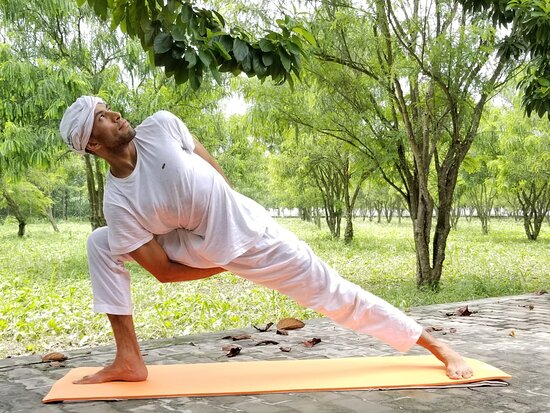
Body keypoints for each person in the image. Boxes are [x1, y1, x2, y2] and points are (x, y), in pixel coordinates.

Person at [59, 96, 473, 384]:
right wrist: (224, 263)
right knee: (101, 242)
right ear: (93, 144)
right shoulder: (118, 202)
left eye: (108, 108)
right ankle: (129, 359)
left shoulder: (161, 126)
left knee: (335, 294)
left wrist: (235, 239)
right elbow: (163, 272)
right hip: (199, 250)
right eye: (102, 117)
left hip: (253, 237)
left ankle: (437, 346)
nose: (114, 114)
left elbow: (216, 172)